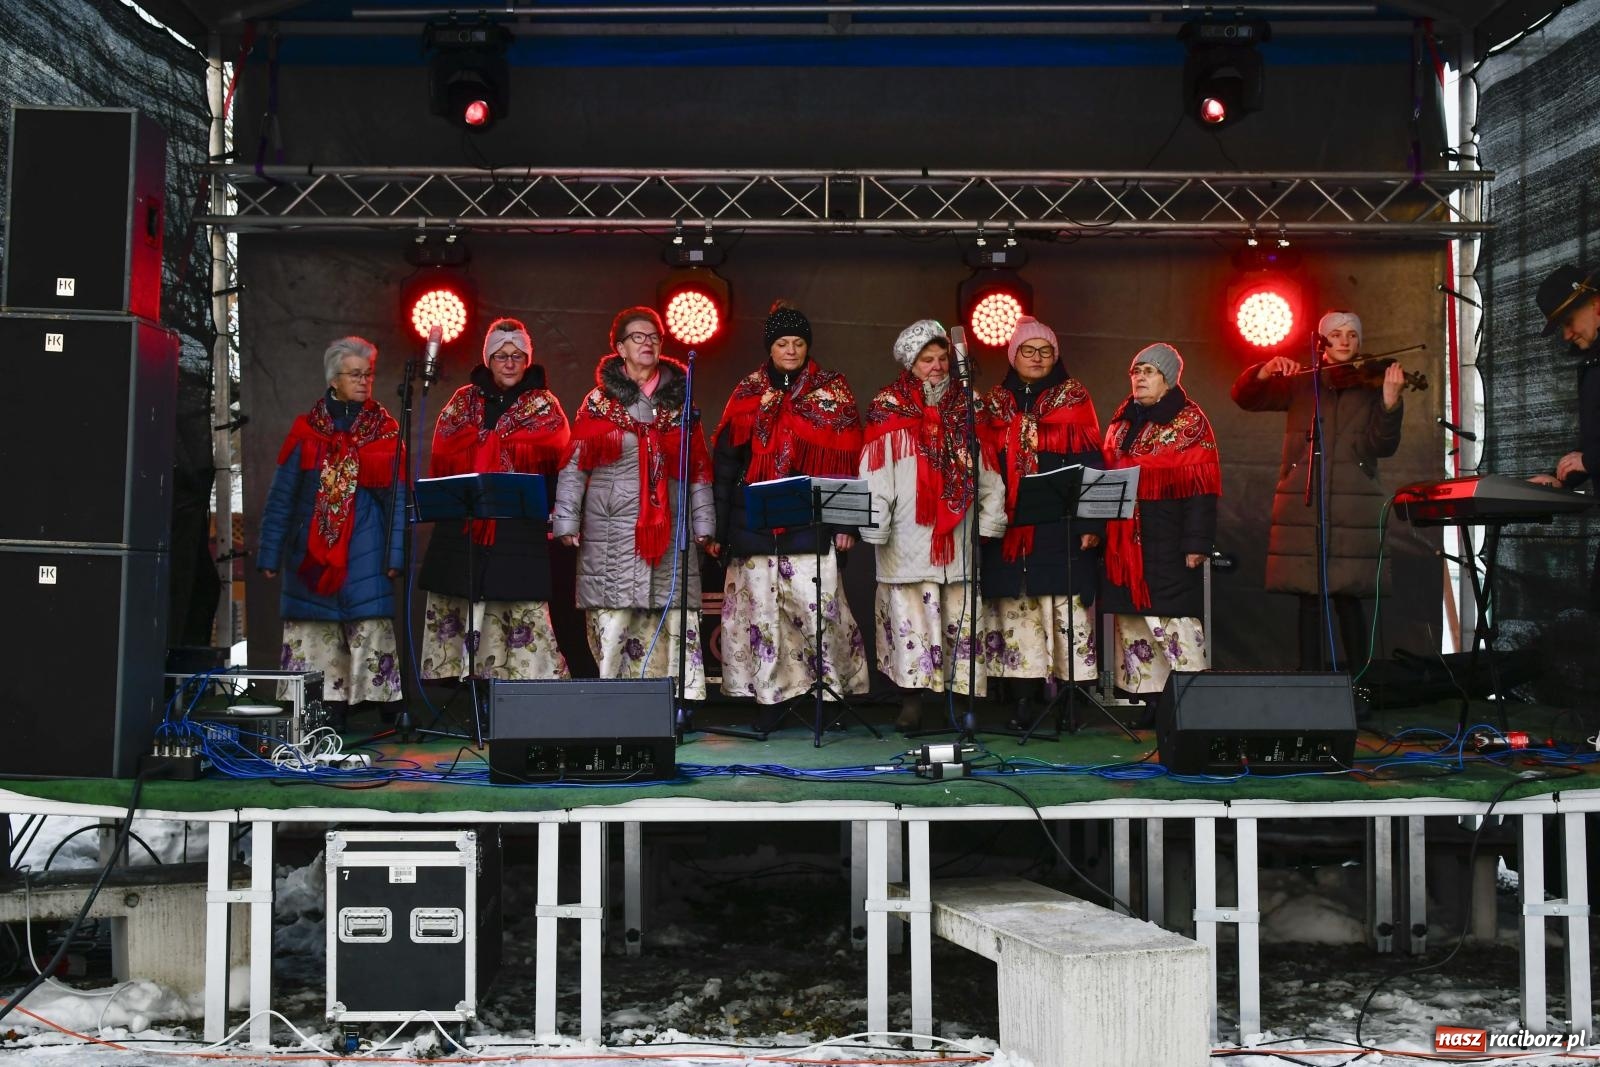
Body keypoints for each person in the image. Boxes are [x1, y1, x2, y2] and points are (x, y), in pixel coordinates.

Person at [712, 301, 869, 712]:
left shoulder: (833, 392)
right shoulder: (747, 392)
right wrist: (717, 530)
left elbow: (850, 464)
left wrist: (848, 525)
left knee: (819, 616)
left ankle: (827, 699)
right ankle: (768, 701)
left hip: (811, 525)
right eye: (782, 343)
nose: (791, 350)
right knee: (762, 618)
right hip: (754, 528)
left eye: (798, 342)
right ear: (770, 347)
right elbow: (725, 467)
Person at [551, 307, 716, 699]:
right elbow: (575, 466)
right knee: (616, 614)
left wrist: (705, 525)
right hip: (613, 531)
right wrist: (566, 522)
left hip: (670, 525)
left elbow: (698, 468)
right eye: (638, 337)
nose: (648, 343)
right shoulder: (598, 401)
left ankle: (676, 703)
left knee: (671, 615)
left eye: (654, 337)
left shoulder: (681, 401)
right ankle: (616, 700)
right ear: (620, 348)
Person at [1231, 310, 1404, 671]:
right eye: (1337, 335)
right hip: (1305, 501)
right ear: (1322, 341)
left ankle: (1362, 688)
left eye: (1352, 336)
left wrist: (1389, 404)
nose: (1345, 341)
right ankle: (1310, 685)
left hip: (1351, 505)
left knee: (1348, 597)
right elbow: (1246, 398)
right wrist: (1263, 371)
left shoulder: (1370, 384)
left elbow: (1381, 446)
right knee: (1309, 599)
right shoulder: (1302, 380)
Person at [860, 319, 1006, 731]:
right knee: (911, 620)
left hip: (957, 535)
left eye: (943, 358)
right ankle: (912, 701)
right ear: (911, 363)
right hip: (906, 535)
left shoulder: (969, 404)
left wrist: (991, 519)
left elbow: (988, 470)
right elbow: (875, 474)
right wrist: (875, 526)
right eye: (928, 359)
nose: (938, 366)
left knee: (959, 617)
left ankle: (960, 701)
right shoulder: (887, 404)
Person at [417, 318, 571, 681]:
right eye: (501, 355)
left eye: (517, 355)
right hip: (464, 531)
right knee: (470, 609)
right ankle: (474, 693)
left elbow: (563, 465)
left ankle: (518, 693)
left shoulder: (545, 406)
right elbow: (443, 455)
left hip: (519, 531)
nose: (509, 362)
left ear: (528, 360)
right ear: (488, 359)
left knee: (517, 609)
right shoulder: (462, 402)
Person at [257, 336, 405, 714]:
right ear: (333, 379)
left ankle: (368, 710)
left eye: (368, 374)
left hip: (367, 553)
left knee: (367, 628)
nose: (363, 381)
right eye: (354, 374)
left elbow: (399, 501)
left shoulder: (388, 431)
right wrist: (270, 554)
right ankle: (320, 711)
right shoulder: (306, 430)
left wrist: (396, 555)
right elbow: (282, 497)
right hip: (311, 555)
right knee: (314, 633)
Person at [976, 316, 1103, 728]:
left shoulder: (1075, 397)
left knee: (1066, 614)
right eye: (1027, 351)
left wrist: (1091, 524)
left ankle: (1071, 703)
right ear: (1013, 356)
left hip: (1060, 527)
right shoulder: (993, 403)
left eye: (1045, 351)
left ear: (1056, 356)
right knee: (1019, 614)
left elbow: (1092, 465)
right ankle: (1022, 702)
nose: (1036, 357)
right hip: (1010, 528)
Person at [1101, 343, 1220, 698]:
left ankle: (1191, 701)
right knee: (1135, 626)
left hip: (1168, 537)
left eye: (1149, 372)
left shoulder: (1190, 422)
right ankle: (1151, 701)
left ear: (1168, 379)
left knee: (1172, 625)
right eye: (1136, 372)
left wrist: (1197, 542)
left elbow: (1202, 487)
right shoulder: (1123, 421)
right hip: (1125, 542)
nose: (1139, 378)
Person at [1529, 265, 1600, 607]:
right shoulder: (1592, 364)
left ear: (1596, 304)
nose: (1566, 335)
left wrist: (1589, 459)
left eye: (1568, 322)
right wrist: (1566, 475)